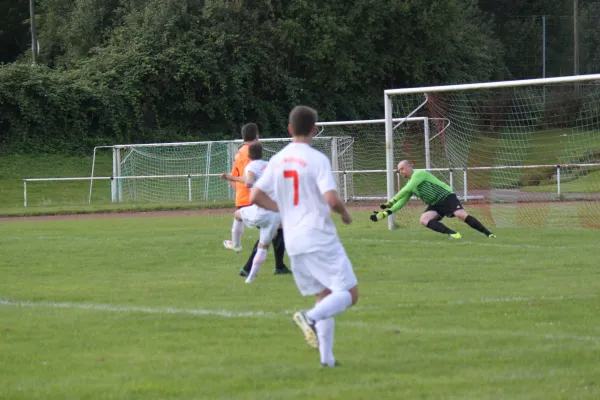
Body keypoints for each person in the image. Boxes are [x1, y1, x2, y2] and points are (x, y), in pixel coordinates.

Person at [250, 105, 359, 368]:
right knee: (349, 293)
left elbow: (255, 195)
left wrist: (283, 209)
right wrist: (344, 213)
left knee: (324, 295)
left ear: (289, 129)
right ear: (314, 129)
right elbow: (331, 199)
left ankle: (327, 360)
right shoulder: (317, 159)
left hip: (294, 240)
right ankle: (308, 318)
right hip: (319, 235)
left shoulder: (277, 160)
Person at [221, 123, 291, 276]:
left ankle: (278, 266)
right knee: (271, 231)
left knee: (276, 230)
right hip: (253, 198)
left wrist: (239, 194)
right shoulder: (249, 153)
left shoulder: (239, 152)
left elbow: (235, 177)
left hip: (243, 197)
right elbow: (250, 178)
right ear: (257, 135)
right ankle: (248, 268)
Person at [371, 160, 496, 239]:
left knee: (460, 215)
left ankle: (488, 233)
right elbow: (402, 202)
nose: (401, 172)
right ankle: (453, 234)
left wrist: (390, 202)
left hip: (446, 197)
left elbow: (405, 189)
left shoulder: (419, 174)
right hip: (435, 204)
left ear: (409, 166)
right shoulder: (411, 184)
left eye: (402, 168)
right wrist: (387, 213)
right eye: (399, 171)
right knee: (424, 220)